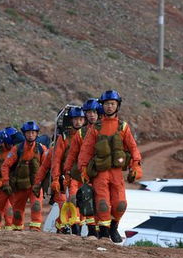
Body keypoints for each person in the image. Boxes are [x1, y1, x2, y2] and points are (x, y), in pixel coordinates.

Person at [78, 90, 142, 242]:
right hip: (100, 173)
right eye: (107, 104)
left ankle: (114, 226)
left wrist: (136, 166)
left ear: (117, 106)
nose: (109, 107)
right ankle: (105, 234)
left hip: (116, 173)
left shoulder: (123, 127)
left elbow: (133, 148)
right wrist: (83, 169)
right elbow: (86, 149)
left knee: (120, 204)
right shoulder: (96, 128)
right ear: (103, 106)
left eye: (112, 104)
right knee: (102, 204)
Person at [63, 99, 101, 238]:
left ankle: (102, 231)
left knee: (102, 202)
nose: (78, 122)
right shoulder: (70, 137)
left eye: (94, 112)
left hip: (98, 172)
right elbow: (67, 157)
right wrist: (63, 175)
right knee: (76, 199)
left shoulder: (105, 130)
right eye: (89, 113)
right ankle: (79, 229)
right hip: (78, 173)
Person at [1, 121, 48, 231]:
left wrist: (44, 182)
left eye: (33, 132)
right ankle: (17, 230)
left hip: (35, 185)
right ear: (24, 134)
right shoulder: (17, 149)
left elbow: (46, 166)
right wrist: (6, 182)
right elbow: (5, 166)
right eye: (28, 133)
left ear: (36, 134)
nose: (30, 135)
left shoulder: (42, 149)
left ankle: (35, 229)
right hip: (20, 185)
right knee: (17, 211)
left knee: (36, 206)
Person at [50, 106, 87, 234]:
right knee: (73, 200)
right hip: (69, 176)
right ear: (71, 120)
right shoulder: (64, 137)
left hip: (85, 175)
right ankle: (73, 228)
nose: (78, 122)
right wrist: (56, 178)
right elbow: (57, 159)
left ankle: (63, 225)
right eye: (76, 119)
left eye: (81, 119)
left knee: (83, 205)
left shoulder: (89, 135)